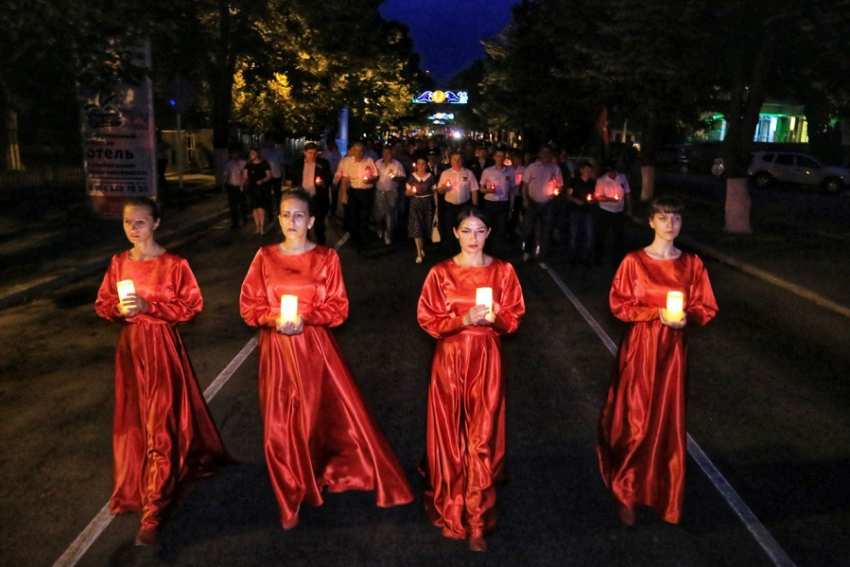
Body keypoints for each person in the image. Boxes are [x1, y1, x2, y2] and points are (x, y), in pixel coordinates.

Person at [239, 190, 414, 529]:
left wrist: (307, 318)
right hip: (276, 352)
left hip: (315, 351)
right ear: (278, 219)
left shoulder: (325, 258)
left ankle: (321, 471)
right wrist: (272, 319)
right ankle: (289, 493)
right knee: (279, 425)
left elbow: (338, 308)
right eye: (286, 215)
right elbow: (249, 305)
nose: (292, 221)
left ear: (312, 220)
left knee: (315, 420)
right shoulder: (264, 257)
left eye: (299, 215)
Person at [95, 197, 231, 546]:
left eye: (141, 221)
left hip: (161, 350)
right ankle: (136, 485)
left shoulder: (173, 264)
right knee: (133, 423)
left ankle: (154, 512)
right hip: (130, 352)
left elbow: (191, 305)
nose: (133, 228)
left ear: (156, 223)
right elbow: (104, 302)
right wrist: (119, 310)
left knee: (160, 427)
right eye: (127, 221)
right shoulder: (118, 262)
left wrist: (148, 305)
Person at [597, 196, 718, 527]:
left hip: (672, 351)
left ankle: (662, 490)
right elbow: (619, 303)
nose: (670, 225)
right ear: (650, 222)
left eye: (676, 219)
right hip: (640, 347)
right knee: (635, 419)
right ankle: (627, 490)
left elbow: (705, 306)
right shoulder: (635, 262)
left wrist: (687, 318)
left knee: (666, 421)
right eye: (663, 218)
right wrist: (655, 312)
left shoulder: (691, 264)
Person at [417, 208, 525, 552]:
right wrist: (462, 319)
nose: (473, 237)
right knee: (451, 435)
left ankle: (476, 517)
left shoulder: (503, 271)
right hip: (449, 359)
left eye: (479, 230)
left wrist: (498, 319)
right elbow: (428, 319)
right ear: (455, 232)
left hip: (487, 360)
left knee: (480, 437)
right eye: (466, 230)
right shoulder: (440, 273)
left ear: (488, 233)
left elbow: (514, 317)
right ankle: (452, 499)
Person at [520, 145, 563, 269]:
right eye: (543, 152)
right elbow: (525, 185)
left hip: (548, 203)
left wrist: (557, 191)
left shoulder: (555, 168)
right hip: (532, 203)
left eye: (548, 153)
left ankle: (542, 258)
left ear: (551, 155)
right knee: (529, 229)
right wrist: (525, 198)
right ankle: (528, 250)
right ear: (539, 154)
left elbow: (560, 185)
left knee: (546, 231)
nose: (545, 155)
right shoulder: (532, 168)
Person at [338, 141, 378, 252]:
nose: (359, 153)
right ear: (353, 151)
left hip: (366, 193)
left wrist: (370, 180)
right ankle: (355, 239)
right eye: (357, 151)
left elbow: (376, 176)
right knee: (353, 217)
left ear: (364, 151)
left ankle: (364, 242)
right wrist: (344, 193)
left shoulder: (369, 161)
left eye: (361, 151)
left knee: (364, 218)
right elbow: (345, 179)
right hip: (354, 192)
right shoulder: (348, 162)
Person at [290, 142, 333, 245]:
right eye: (310, 153)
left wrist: (323, 183)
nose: (312, 156)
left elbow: (329, 180)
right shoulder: (298, 164)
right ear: (304, 152)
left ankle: (321, 246)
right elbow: (294, 181)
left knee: (319, 226)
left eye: (314, 153)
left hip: (318, 199)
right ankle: (306, 245)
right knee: (304, 225)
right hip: (303, 199)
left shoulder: (323, 163)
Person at [436, 151, 479, 255]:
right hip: (449, 206)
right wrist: (444, 188)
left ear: (463, 160)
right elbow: (439, 190)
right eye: (454, 159)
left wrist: (475, 207)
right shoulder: (446, 173)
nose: (457, 162)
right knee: (450, 229)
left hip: (464, 206)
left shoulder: (468, 173)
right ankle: (450, 253)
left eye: (459, 159)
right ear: (450, 161)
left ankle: (463, 251)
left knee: (463, 229)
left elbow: (474, 190)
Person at [479, 146, 517, 258]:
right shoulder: (487, 171)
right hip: (490, 203)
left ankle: (498, 255)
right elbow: (481, 188)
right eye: (498, 156)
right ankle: (487, 253)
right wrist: (487, 190)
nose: (500, 159)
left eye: (502, 156)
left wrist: (511, 206)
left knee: (501, 230)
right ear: (494, 157)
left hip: (503, 203)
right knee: (488, 229)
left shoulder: (510, 171)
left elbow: (512, 190)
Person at [593, 161, 632, 266]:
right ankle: (598, 258)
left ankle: (616, 260)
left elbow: (627, 193)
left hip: (619, 212)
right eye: (607, 172)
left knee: (618, 236)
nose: (609, 174)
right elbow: (597, 196)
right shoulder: (601, 181)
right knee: (602, 235)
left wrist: (629, 208)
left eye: (611, 171)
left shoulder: (622, 178)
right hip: (605, 211)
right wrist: (610, 199)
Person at [406, 156, 438, 263]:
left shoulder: (430, 177)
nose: (421, 166)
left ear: (427, 165)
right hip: (415, 203)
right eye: (419, 164)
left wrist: (437, 206)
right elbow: (407, 192)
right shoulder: (412, 177)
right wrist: (411, 192)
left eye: (423, 163)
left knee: (424, 227)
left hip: (427, 204)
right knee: (416, 227)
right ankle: (418, 252)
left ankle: (422, 247)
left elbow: (434, 192)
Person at [566, 160, 598, 265]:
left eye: (590, 170)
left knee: (589, 234)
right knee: (574, 234)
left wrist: (593, 200)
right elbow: (568, 195)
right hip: (575, 210)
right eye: (586, 170)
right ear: (582, 170)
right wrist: (576, 200)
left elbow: (595, 196)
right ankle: (572, 256)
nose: (588, 172)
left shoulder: (592, 183)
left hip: (588, 211)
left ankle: (586, 257)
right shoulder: (574, 181)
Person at [374, 145, 407, 245]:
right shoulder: (377, 163)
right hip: (380, 192)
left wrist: (396, 178)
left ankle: (388, 235)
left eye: (388, 153)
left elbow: (403, 177)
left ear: (392, 153)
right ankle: (380, 227)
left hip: (392, 192)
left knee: (390, 214)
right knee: (379, 213)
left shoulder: (397, 164)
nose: (386, 155)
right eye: (384, 153)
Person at [243, 148, 272, 234]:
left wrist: (262, 180)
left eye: (253, 153)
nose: (251, 154)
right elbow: (245, 175)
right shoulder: (248, 165)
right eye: (250, 153)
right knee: (254, 209)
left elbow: (269, 175)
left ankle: (262, 227)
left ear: (257, 154)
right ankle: (257, 227)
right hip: (252, 188)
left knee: (261, 208)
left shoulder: (264, 164)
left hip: (262, 188)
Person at [221, 146, 247, 229]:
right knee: (233, 206)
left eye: (236, 153)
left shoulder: (243, 163)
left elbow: (245, 175)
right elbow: (225, 175)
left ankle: (244, 220)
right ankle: (235, 223)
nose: (235, 155)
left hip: (241, 186)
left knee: (242, 205)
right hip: (232, 187)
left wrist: (243, 184)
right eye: (233, 154)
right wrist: (224, 185)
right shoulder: (228, 164)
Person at [261, 135, 285, 216]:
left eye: (273, 140)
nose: (271, 142)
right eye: (269, 140)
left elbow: (282, 164)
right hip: (267, 177)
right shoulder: (264, 152)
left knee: (278, 195)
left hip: (276, 175)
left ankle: (279, 212)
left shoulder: (279, 151)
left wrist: (283, 176)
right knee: (267, 196)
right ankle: (270, 214)